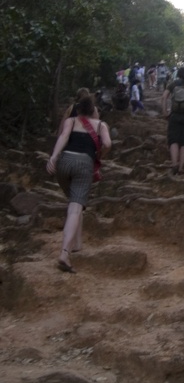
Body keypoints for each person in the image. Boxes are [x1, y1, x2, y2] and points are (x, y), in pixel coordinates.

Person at [46, 94, 112, 273]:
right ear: (94, 110)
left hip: (64, 163)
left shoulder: (71, 121)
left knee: (75, 202)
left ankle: (77, 243)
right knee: (75, 207)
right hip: (84, 164)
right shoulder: (101, 125)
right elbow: (107, 143)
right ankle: (65, 253)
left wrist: (53, 156)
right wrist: (100, 155)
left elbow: (63, 137)